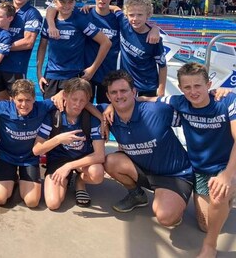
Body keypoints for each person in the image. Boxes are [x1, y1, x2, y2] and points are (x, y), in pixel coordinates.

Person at [144, 62, 235, 258]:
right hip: (201, 169)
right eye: (187, 87)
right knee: (206, 224)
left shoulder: (227, 100)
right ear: (180, 88)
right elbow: (150, 99)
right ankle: (226, 200)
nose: (193, 92)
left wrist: (227, 175)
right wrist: (114, 107)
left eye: (198, 85)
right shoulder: (179, 102)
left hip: (228, 165)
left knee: (219, 194)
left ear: (209, 84)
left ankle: (209, 246)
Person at [101, 70, 193, 227]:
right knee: (110, 161)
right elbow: (82, 104)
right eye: (114, 93)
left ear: (134, 92)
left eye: (123, 91)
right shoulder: (108, 115)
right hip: (145, 172)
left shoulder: (156, 111)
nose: (119, 96)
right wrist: (62, 94)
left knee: (165, 217)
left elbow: (195, 111)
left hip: (176, 175)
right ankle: (137, 195)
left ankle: (170, 200)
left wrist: (216, 95)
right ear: (108, 97)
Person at [33, 78, 105, 210]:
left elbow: (100, 155)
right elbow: (37, 150)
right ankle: (66, 179)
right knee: (53, 203)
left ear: (87, 101)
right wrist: (59, 139)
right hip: (59, 159)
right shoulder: (54, 116)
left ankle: (80, 181)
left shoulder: (90, 118)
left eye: (82, 101)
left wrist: (69, 166)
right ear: (65, 96)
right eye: (74, 99)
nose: (77, 104)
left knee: (97, 174)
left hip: (83, 160)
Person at [0, 79, 54, 208]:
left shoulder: (42, 107)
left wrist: (61, 95)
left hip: (29, 158)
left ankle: (18, 178)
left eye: (28, 100)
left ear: (34, 99)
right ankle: (13, 177)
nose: (24, 104)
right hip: (6, 157)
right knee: (0, 199)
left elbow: (65, 98)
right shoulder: (3, 107)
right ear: (12, 99)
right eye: (20, 100)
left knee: (32, 202)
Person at [37, 0, 111, 99]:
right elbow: (42, 46)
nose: (66, 5)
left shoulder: (80, 19)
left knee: (73, 109)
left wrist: (92, 69)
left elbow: (106, 42)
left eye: (70, 2)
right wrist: (39, 73)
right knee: (50, 108)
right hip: (51, 75)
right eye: (63, 2)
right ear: (55, 2)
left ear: (75, 2)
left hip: (73, 76)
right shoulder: (49, 20)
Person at [0, 0, 42, 100]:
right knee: (1, 105)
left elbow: (28, 42)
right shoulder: (5, 11)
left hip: (15, 68)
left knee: (18, 104)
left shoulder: (31, 13)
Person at [114, 0, 167, 97]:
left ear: (148, 15)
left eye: (140, 15)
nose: (135, 19)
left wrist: (161, 90)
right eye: (131, 15)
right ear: (126, 15)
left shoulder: (154, 39)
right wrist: (90, 6)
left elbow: (162, 66)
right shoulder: (124, 23)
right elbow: (115, 8)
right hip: (127, 85)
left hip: (148, 87)